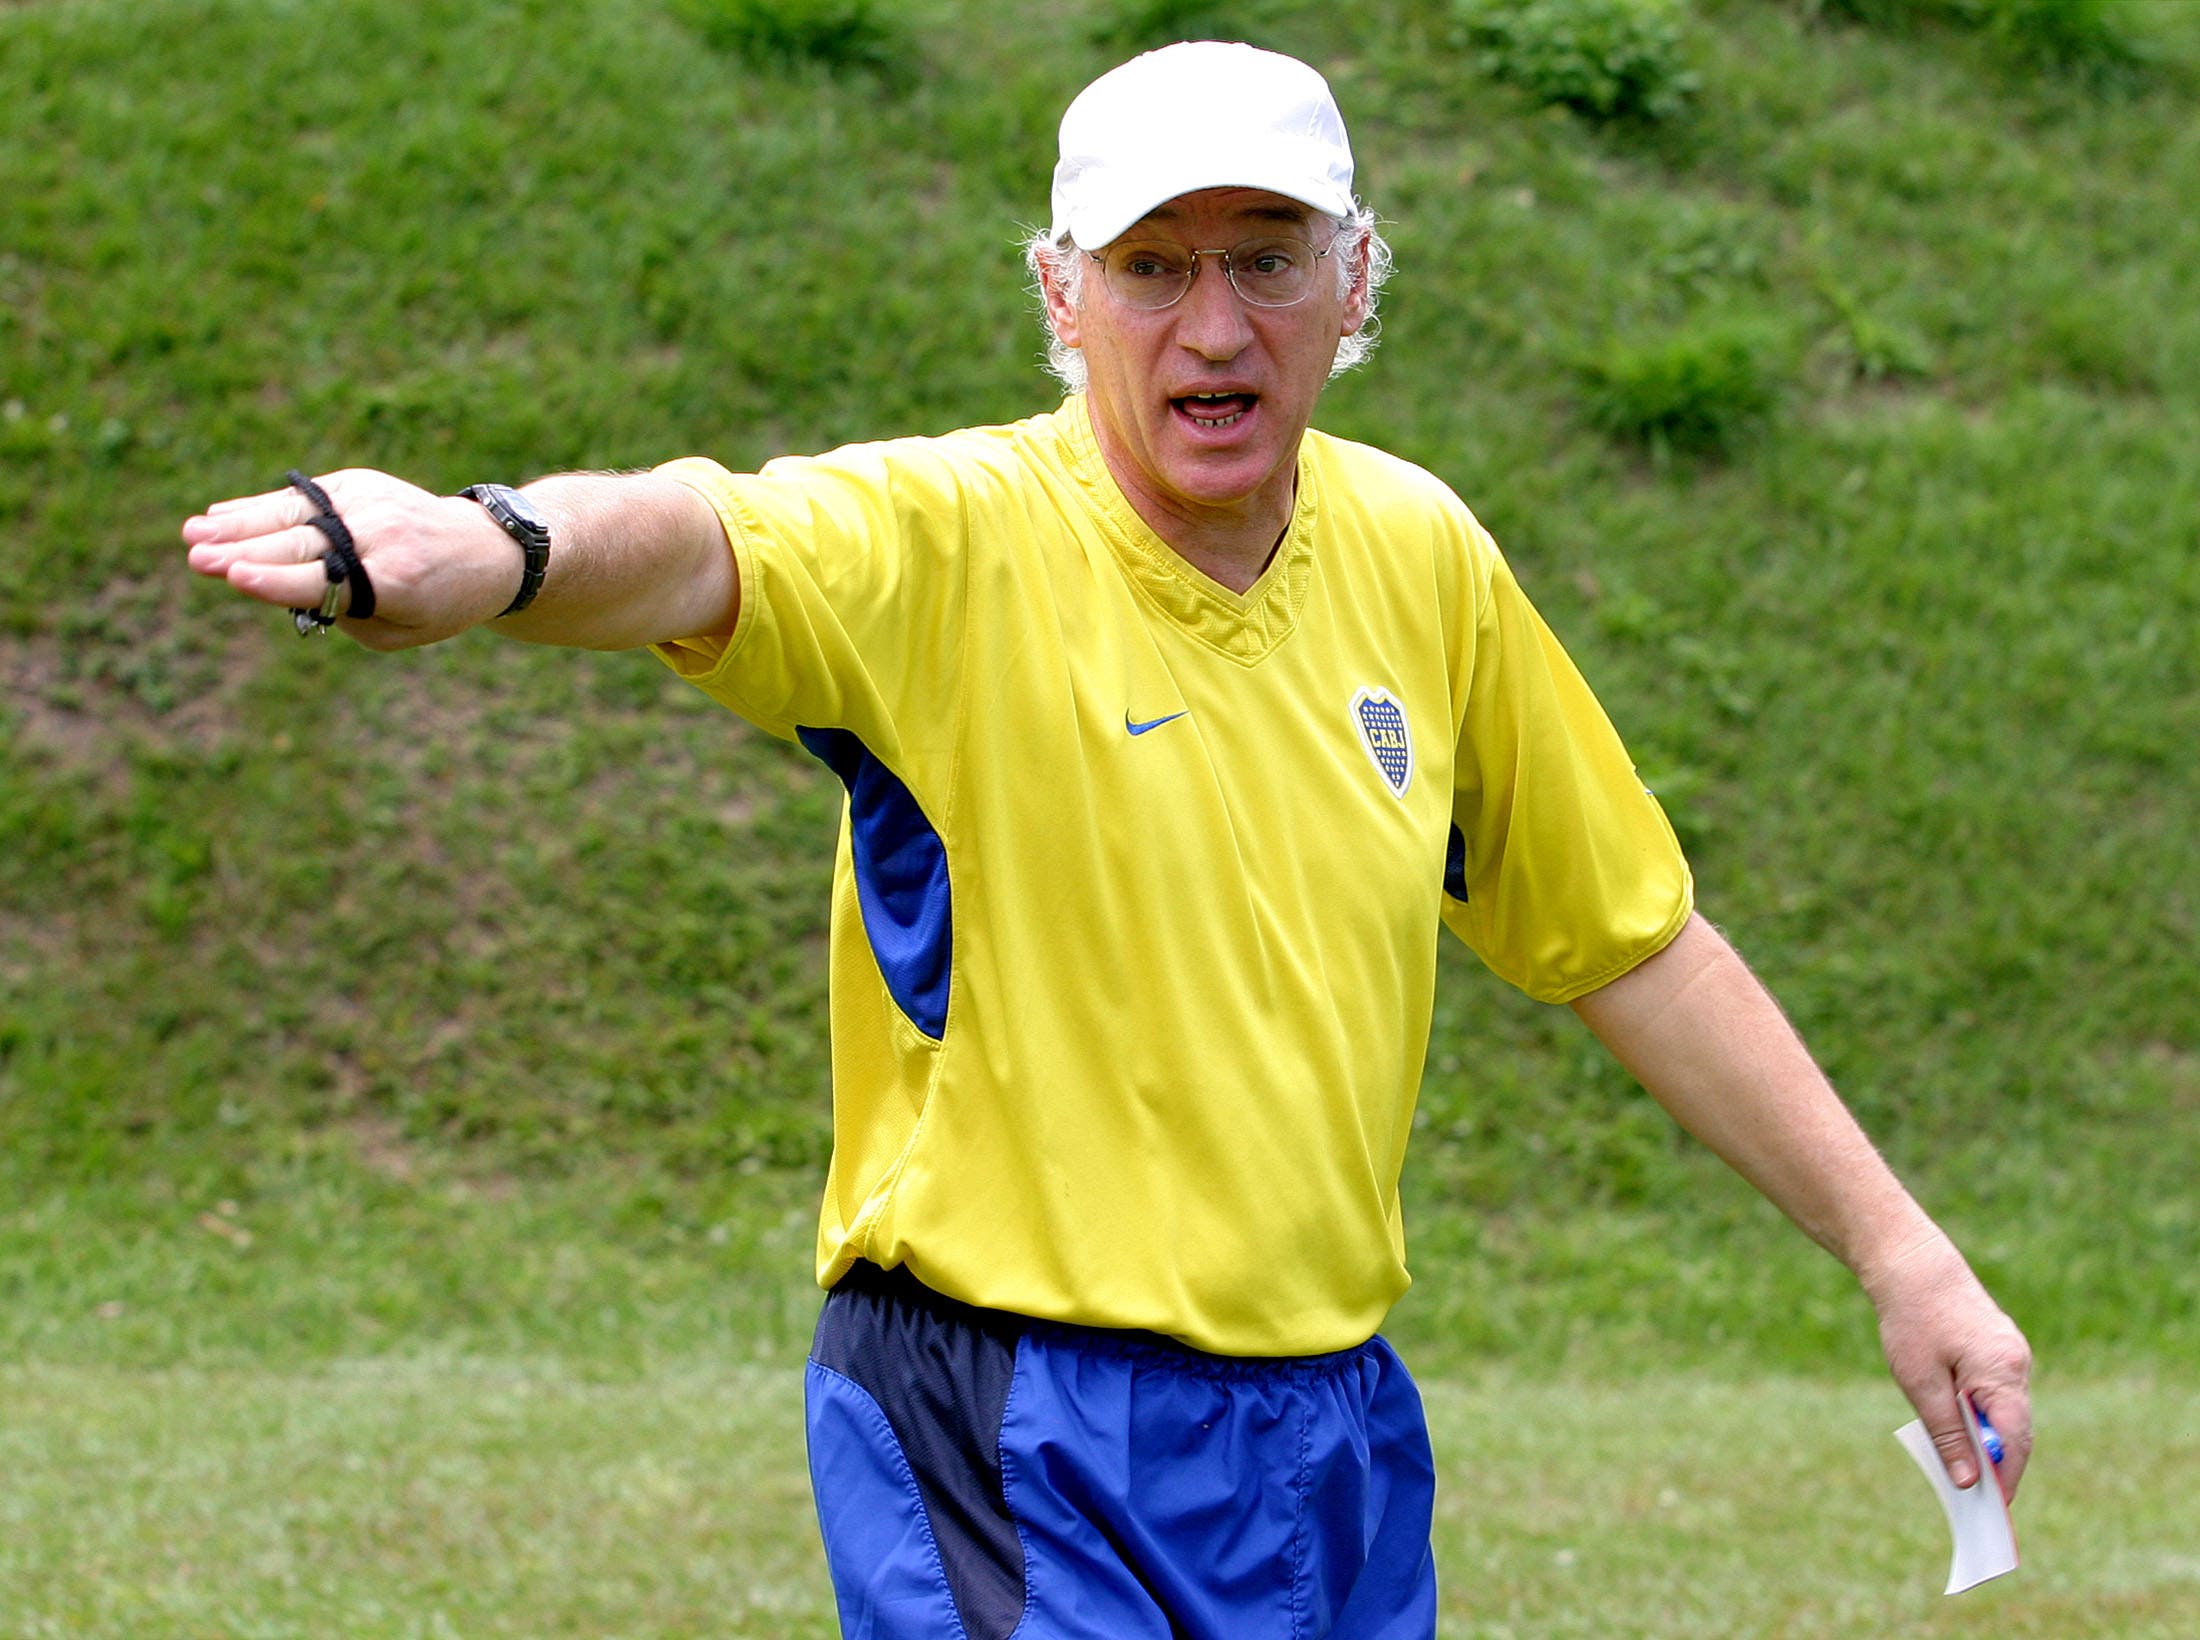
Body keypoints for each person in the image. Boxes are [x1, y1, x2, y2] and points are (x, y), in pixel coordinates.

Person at [182, 40, 2031, 1640]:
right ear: (1062, 298)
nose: (1213, 326)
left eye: (1266, 259)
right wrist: (499, 545)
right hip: (1012, 1422)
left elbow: (1626, 939)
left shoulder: (1424, 555)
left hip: (1330, 1427)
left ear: (1355, 279)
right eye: (1153, 267)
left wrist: (1900, 1252)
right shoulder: (950, 538)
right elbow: (700, 539)